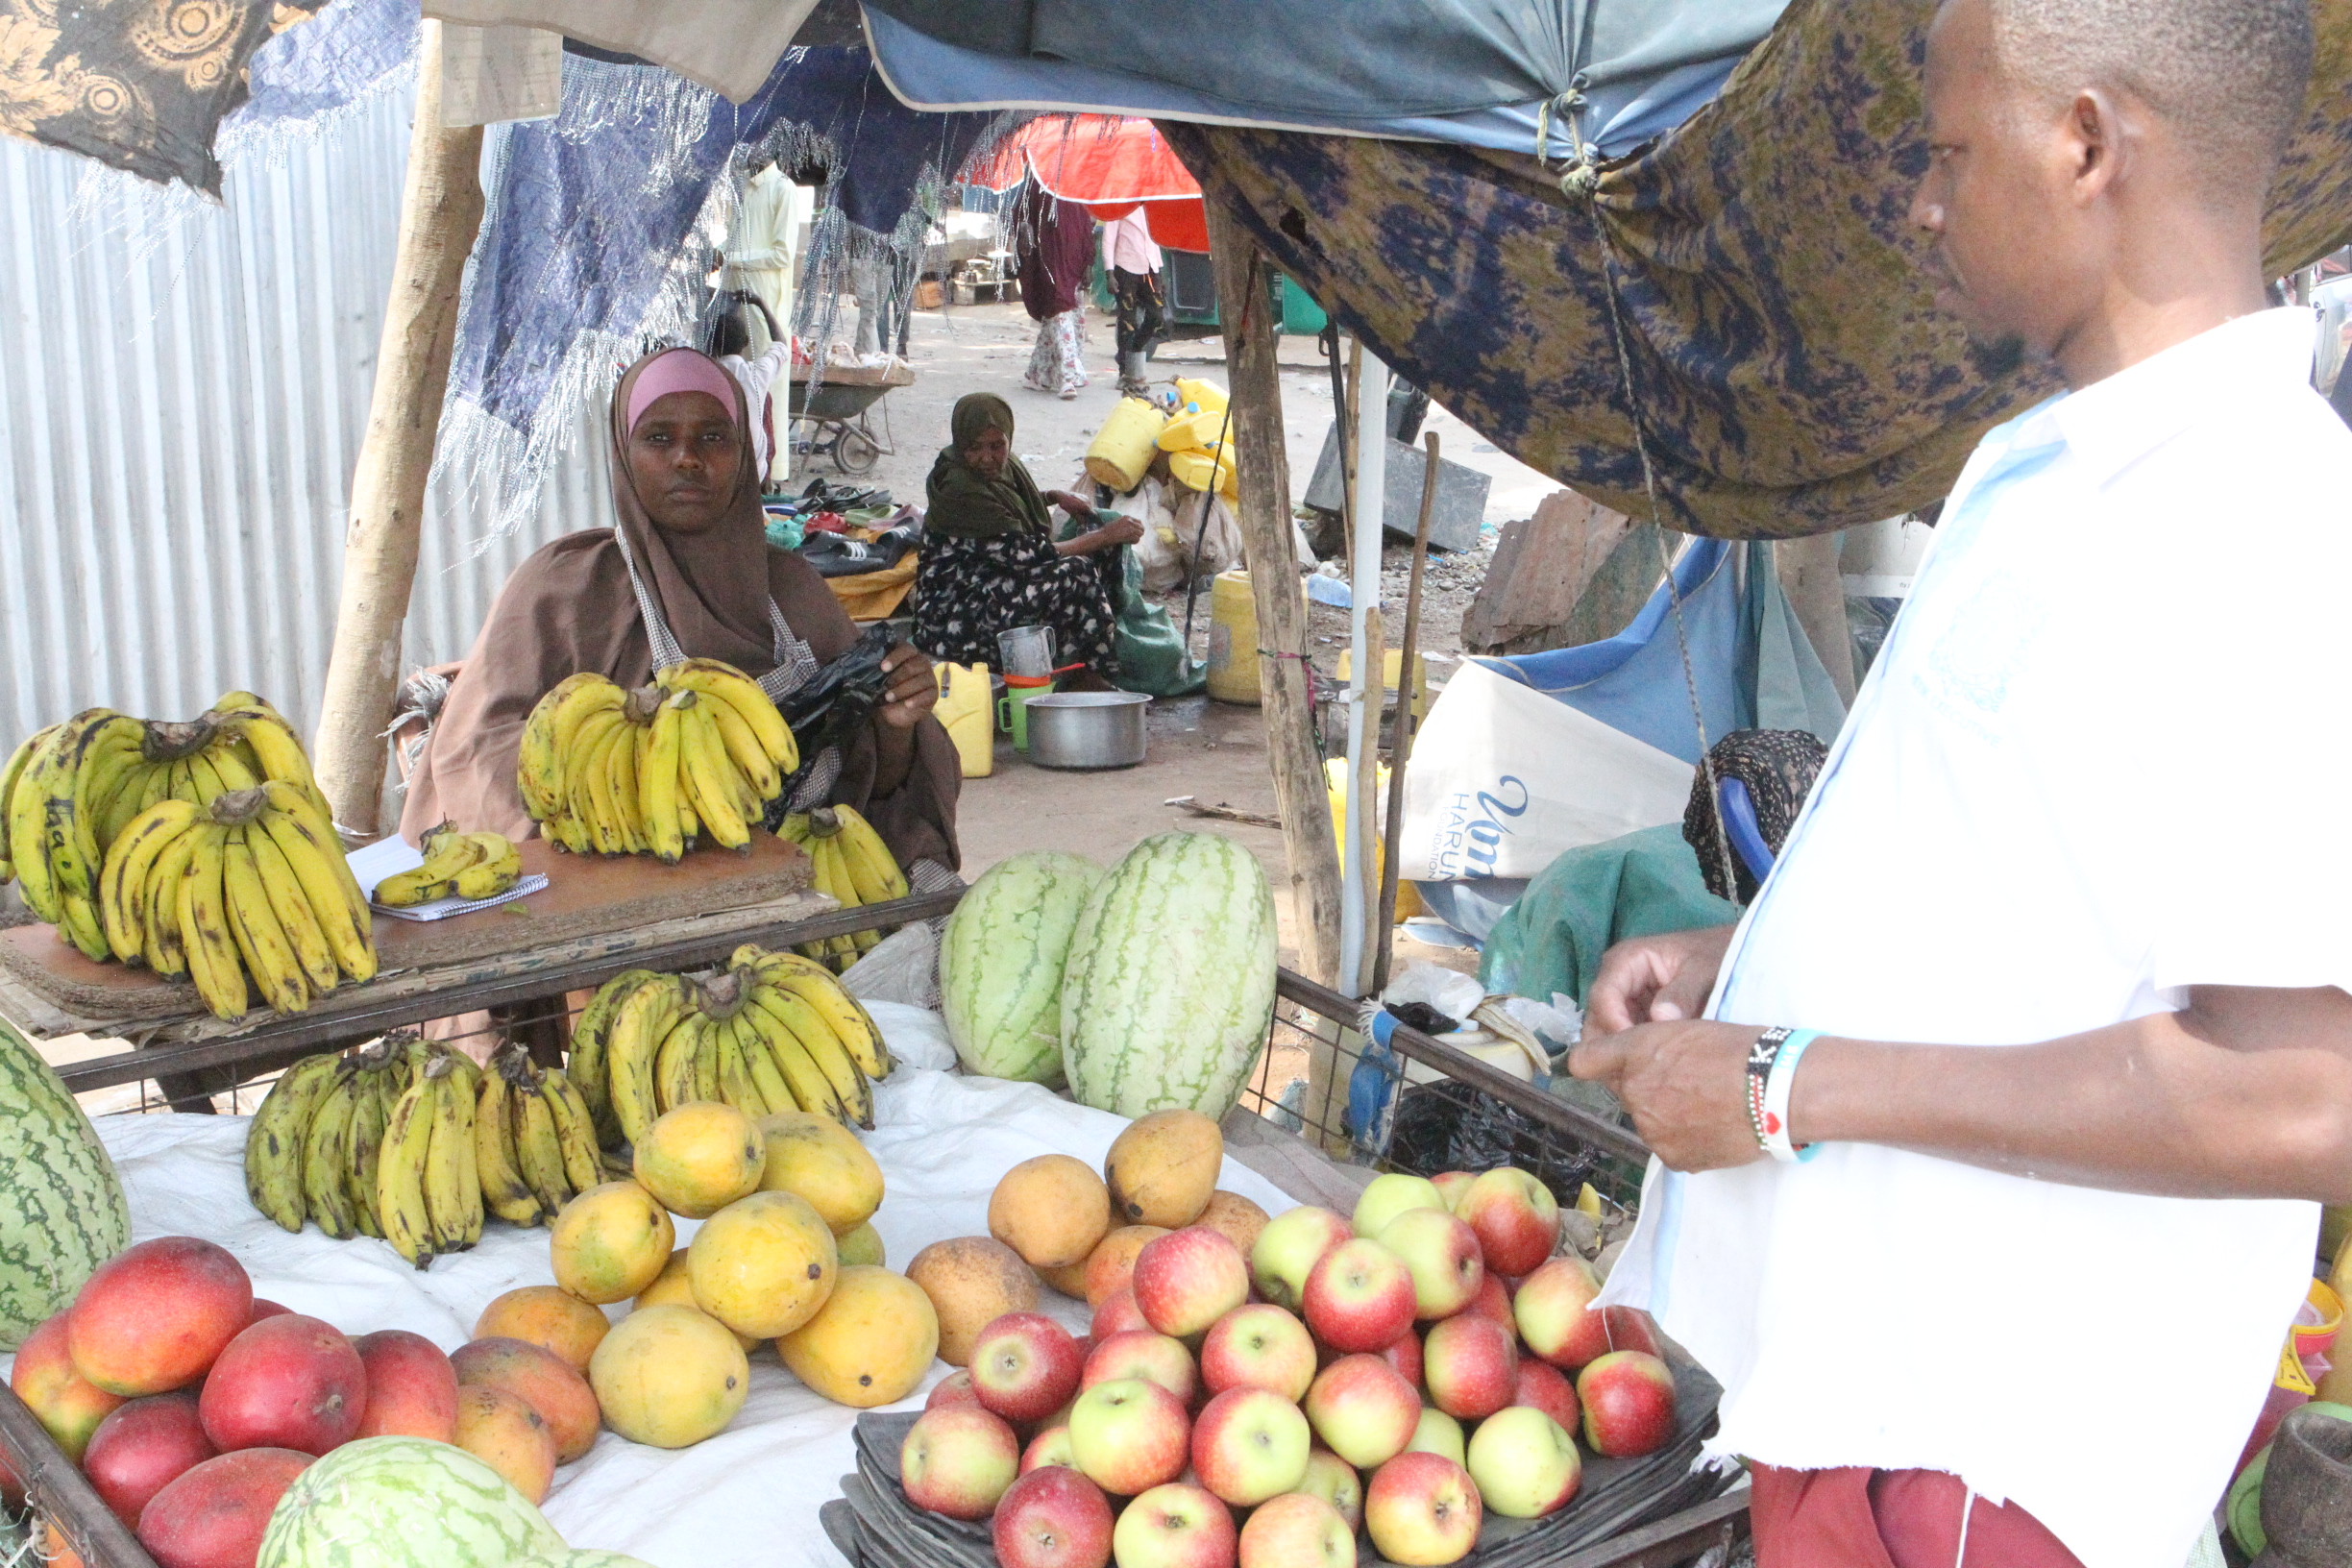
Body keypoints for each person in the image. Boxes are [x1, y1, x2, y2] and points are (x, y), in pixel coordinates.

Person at [1566, 4, 2342, 1567]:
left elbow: (2302, 1092)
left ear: (2084, 144)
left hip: (1982, 1477)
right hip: (1861, 1410)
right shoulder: (2051, 471)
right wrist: (1744, 957)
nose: (1922, 206)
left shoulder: (2260, 528)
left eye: (1947, 153)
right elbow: (2024, 872)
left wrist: (1785, 1080)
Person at [402, 347, 960, 884]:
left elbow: (872, 788)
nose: (687, 458)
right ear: (624, 452)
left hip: (805, 874)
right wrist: (633, 794)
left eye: (713, 437)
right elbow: (479, 754)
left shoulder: (794, 589)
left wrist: (897, 724)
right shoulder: (566, 588)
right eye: (658, 437)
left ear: (744, 451)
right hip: (614, 885)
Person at [913, 393, 1139, 684]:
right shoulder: (957, 486)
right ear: (960, 443)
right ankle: (1091, 675)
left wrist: (1054, 496)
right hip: (955, 614)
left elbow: (1008, 507)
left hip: (993, 582)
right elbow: (1030, 554)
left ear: (1008, 439)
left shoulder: (1004, 468)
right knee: (1077, 571)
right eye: (974, 448)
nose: (987, 457)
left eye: (997, 446)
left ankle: (1086, 660)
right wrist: (1106, 535)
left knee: (1098, 546)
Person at [1014, 183, 1094, 400]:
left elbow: (1087, 223)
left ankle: (1036, 374)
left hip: (1074, 259)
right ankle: (1068, 377)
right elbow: (1021, 212)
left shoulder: (1075, 182)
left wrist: (1089, 261)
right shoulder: (1039, 182)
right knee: (1059, 312)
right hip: (1050, 261)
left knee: (1069, 318)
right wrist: (1023, 229)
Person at [710, 310, 791, 488]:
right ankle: (764, 486)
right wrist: (760, 305)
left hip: (713, 470)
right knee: (765, 401)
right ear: (746, 342)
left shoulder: (704, 374)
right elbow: (781, 344)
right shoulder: (757, 373)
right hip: (754, 471)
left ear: (712, 345)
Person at [1100, 208, 1164, 396]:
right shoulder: (1119, 206)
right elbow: (1108, 240)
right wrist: (1109, 273)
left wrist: (1159, 272)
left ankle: (1134, 351)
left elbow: (1154, 241)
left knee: (1157, 317)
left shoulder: (1149, 206)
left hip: (1149, 270)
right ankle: (1125, 371)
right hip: (1125, 268)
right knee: (1128, 322)